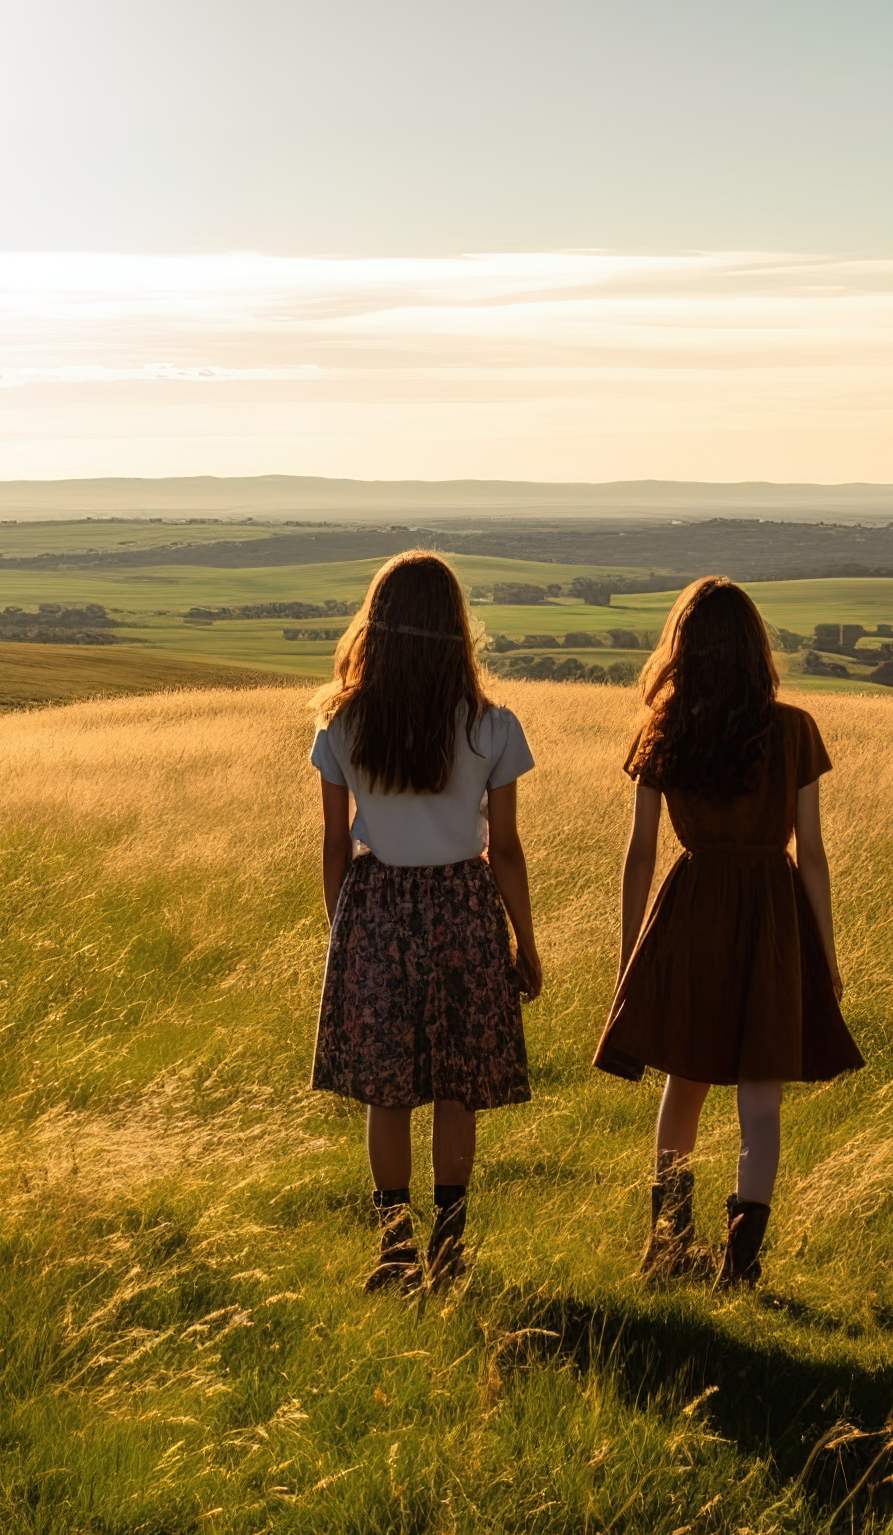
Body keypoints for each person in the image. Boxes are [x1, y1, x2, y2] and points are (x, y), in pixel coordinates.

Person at [593, 576, 863, 1288]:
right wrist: (826, 953)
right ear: (755, 648)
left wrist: (630, 957)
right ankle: (740, 1265)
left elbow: (641, 855)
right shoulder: (793, 729)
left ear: (682, 649)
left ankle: (667, 1243)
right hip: (773, 914)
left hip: (691, 909)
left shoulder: (661, 730)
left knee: (684, 1079)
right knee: (760, 1094)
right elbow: (811, 851)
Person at [311, 551, 543, 1292]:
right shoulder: (491, 726)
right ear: (455, 627)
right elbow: (502, 847)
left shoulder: (344, 723)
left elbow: (331, 843)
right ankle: (448, 1252)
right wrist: (525, 938)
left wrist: (340, 932)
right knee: (456, 1084)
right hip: (464, 907)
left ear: (375, 624)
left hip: (374, 904)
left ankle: (394, 1250)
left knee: (388, 1089)